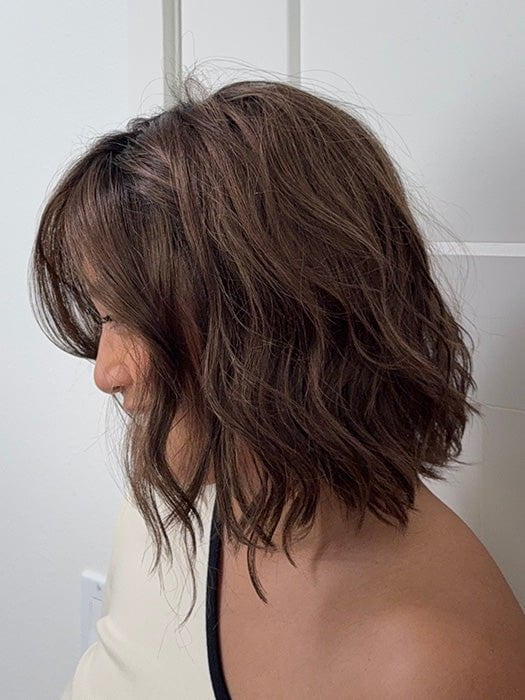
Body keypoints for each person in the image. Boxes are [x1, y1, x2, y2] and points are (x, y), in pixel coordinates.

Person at [29, 73, 525, 699]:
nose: (106, 372)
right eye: (104, 317)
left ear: (273, 323)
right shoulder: (173, 498)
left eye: (127, 317)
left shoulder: (437, 664)